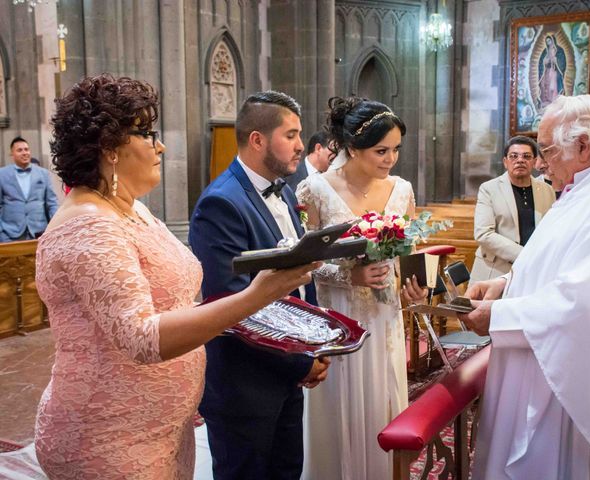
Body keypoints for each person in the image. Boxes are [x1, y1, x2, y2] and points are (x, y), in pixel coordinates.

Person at [34, 74, 317, 479]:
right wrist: (257, 295)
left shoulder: (133, 210)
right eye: (147, 133)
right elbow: (142, 339)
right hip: (109, 432)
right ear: (109, 146)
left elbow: (180, 301)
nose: (160, 145)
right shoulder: (88, 225)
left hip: (161, 426)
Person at [460, 94, 590, 479]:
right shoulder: (588, 185)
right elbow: (557, 260)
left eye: (546, 151)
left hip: (565, 383)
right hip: (535, 359)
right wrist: (506, 284)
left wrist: (498, 315)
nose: (541, 163)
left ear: (582, 145)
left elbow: (583, 304)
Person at [189, 91, 330, 480]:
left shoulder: (282, 191)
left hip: (285, 373)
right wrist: (301, 360)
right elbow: (231, 306)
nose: (302, 145)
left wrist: (316, 343)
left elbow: (301, 279)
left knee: (287, 471)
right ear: (257, 140)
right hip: (245, 385)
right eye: (291, 134)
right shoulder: (221, 204)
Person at [298, 96, 427, 480]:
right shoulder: (314, 191)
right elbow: (304, 262)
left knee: (381, 403)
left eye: (396, 150)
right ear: (352, 148)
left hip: (385, 317)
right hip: (338, 317)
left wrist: (413, 286)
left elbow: (411, 250)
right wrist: (348, 276)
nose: (390, 159)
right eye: (380, 150)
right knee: (341, 406)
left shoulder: (401, 190)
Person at [470, 135, 555, 283]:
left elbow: (552, 230)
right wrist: (525, 254)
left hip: (534, 272)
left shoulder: (548, 190)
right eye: (514, 156)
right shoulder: (489, 189)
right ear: (505, 161)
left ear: (535, 161)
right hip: (494, 271)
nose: (520, 160)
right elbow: (483, 233)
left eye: (526, 156)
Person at [0, 137, 58, 241]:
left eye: (26, 149)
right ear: (12, 154)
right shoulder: (2, 174)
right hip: (9, 235)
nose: (24, 153)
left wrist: (56, 228)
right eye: (19, 150)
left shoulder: (43, 174)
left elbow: (51, 203)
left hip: (40, 233)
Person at [537, 34, 566, 108]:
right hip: (546, 71)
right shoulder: (545, 51)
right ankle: (546, 102)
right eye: (547, 41)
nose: (548, 43)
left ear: (553, 40)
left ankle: (555, 102)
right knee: (544, 85)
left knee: (552, 87)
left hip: (554, 71)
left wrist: (556, 61)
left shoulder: (559, 50)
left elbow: (562, 62)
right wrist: (544, 62)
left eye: (549, 41)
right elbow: (541, 62)